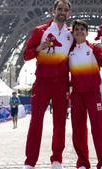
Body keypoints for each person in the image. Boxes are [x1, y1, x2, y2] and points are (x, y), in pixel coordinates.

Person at [22, 0, 73, 168]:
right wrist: (38, 48)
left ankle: (57, 159)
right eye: (60, 9)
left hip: (61, 84)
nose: (62, 12)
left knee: (60, 122)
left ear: (69, 14)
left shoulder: (71, 35)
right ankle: (30, 162)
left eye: (65, 10)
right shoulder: (40, 31)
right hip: (42, 83)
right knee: (36, 121)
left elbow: (82, 53)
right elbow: (26, 55)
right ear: (53, 10)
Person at [69, 19, 102, 169]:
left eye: (82, 29)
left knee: (98, 128)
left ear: (87, 33)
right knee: (78, 130)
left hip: (93, 94)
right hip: (77, 95)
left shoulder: (95, 48)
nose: (79, 31)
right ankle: (82, 162)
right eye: (76, 30)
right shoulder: (69, 51)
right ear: (73, 33)